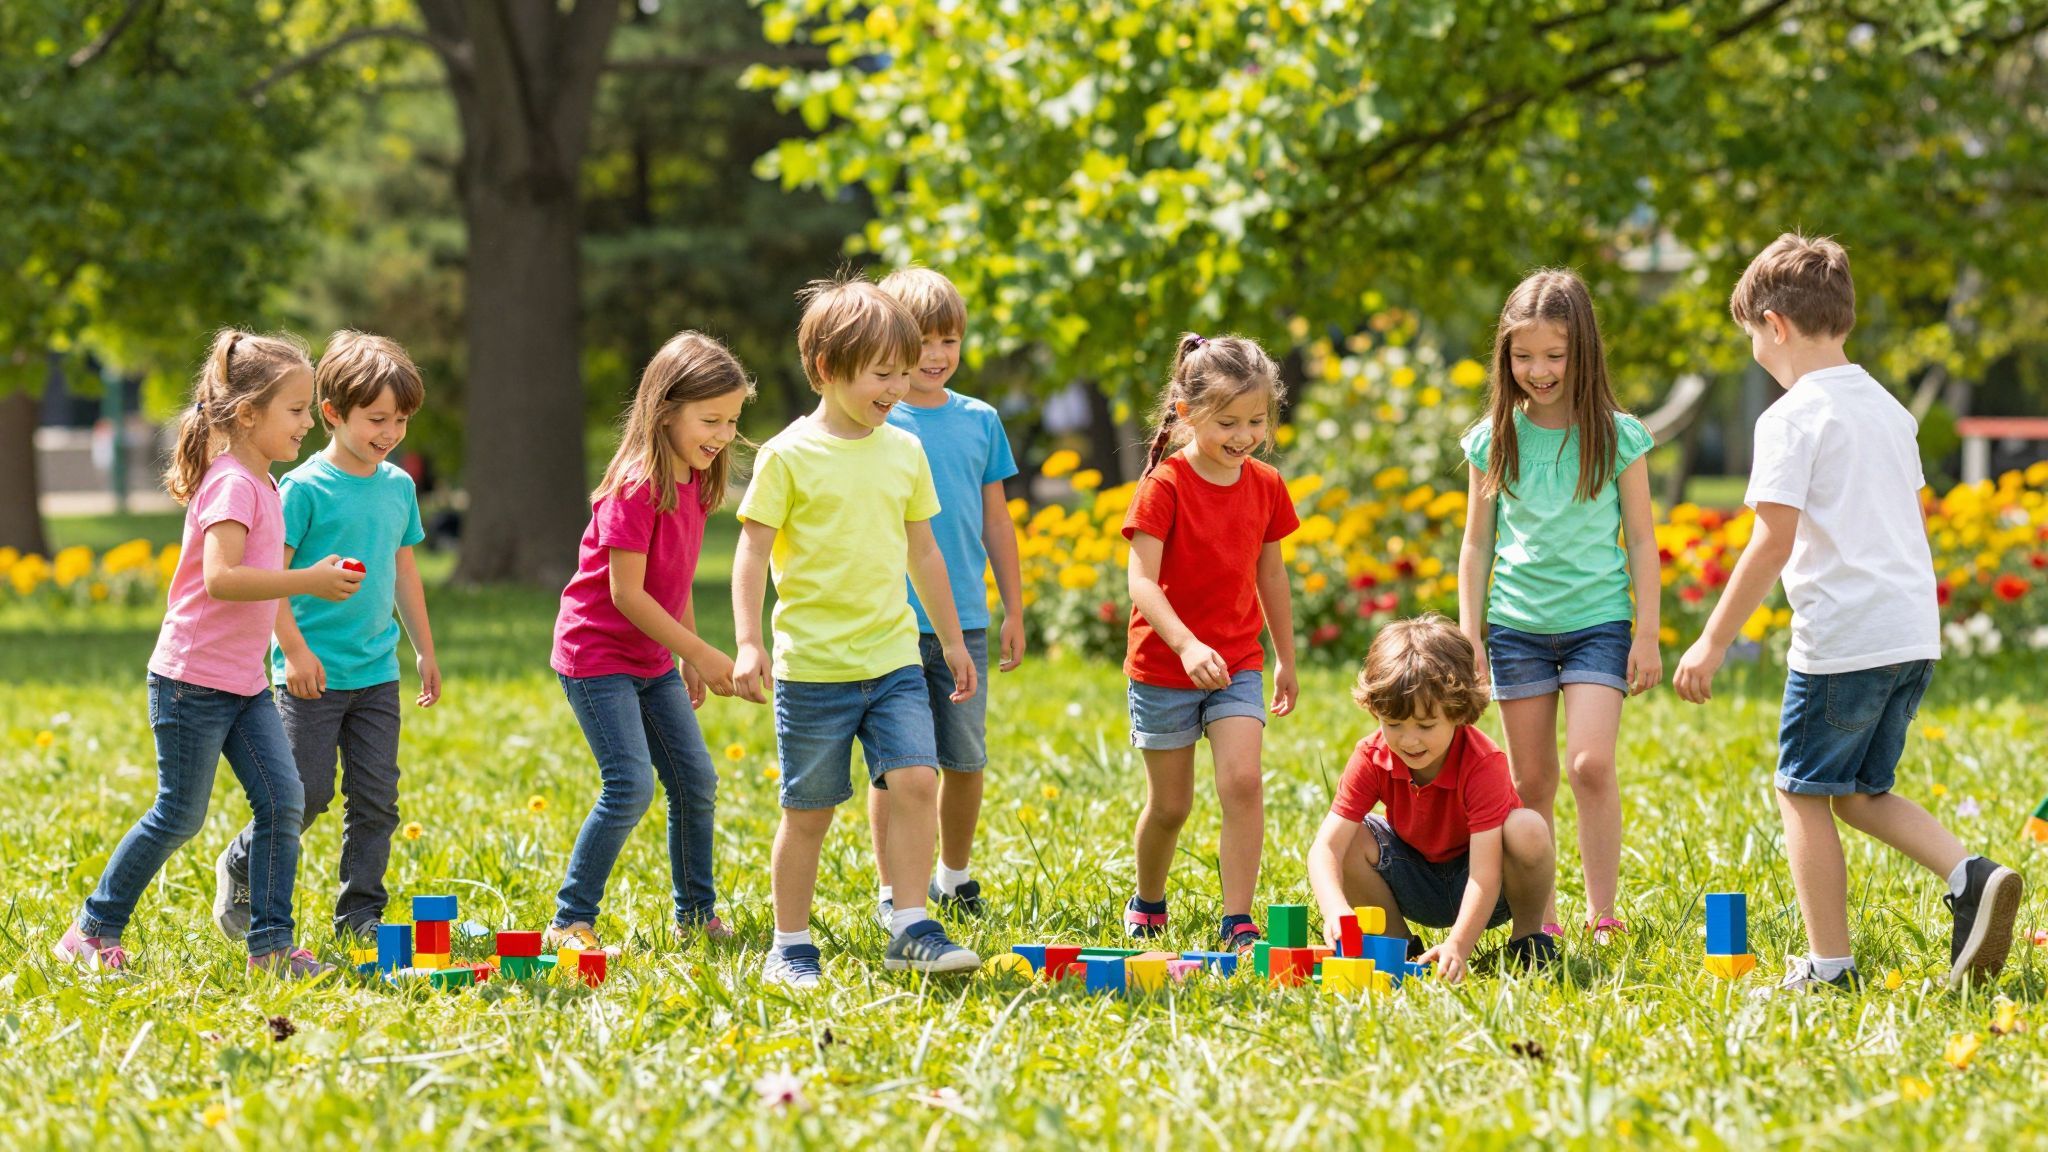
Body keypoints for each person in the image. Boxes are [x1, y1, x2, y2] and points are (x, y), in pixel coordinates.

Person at [1675, 232, 2022, 992]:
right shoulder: (1889, 409)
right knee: (1862, 793)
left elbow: (1771, 542)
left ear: (1774, 325)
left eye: (1752, 338)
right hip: (1910, 633)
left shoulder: (1791, 418)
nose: (1755, 354)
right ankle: (1971, 874)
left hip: (1844, 638)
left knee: (1800, 791)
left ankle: (1829, 967)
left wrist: (1711, 642)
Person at [59, 330, 361, 976]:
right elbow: (223, 579)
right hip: (191, 683)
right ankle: (91, 931)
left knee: (283, 800)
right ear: (247, 414)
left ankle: (270, 947)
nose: (308, 422)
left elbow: (256, 590)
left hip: (243, 684)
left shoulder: (265, 483)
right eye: (296, 409)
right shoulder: (232, 485)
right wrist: (308, 580)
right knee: (179, 815)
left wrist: (294, 645)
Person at [734, 274, 981, 987]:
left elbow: (924, 552)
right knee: (809, 812)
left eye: (904, 373)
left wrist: (952, 640)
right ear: (826, 369)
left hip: (893, 658)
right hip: (814, 670)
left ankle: (911, 924)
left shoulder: (903, 451)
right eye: (882, 374)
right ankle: (790, 944)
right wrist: (749, 642)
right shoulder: (788, 455)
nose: (898, 387)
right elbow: (751, 551)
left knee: (916, 779)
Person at [212, 332, 437, 942]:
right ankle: (241, 860)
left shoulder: (398, 487)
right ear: (333, 413)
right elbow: (272, 580)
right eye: (377, 419)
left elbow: (404, 570)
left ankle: (360, 915)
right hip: (311, 674)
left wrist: (423, 648)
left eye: (401, 420)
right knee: (305, 794)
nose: (390, 432)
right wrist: (295, 651)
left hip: (376, 672)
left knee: (376, 801)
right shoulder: (303, 489)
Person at [1457, 269, 1660, 944]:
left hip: (1598, 624)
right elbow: (1476, 546)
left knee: (1589, 765)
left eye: (1554, 355)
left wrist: (1648, 633)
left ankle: (1603, 914)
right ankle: (1540, 920)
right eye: (1523, 356)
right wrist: (1470, 635)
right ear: (1505, 357)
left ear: (1584, 353)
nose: (1538, 371)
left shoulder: (1618, 436)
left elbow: (1642, 540)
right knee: (1532, 781)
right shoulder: (1493, 438)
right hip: (1516, 628)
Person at [545, 332, 753, 953]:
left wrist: (684, 650)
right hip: (596, 656)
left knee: (695, 781)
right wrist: (702, 654)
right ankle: (570, 919)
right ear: (665, 412)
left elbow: (675, 577)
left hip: (653, 660)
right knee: (630, 785)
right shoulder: (636, 486)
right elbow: (627, 595)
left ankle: (697, 915)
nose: (723, 435)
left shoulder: (698, 479)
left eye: (732, 420)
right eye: (710, 421)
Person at [1121, 333, 1299, 953]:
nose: (1244, 435)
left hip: (1238, 662)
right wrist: (1187, 645)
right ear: (1187, 413)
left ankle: (1237, 918)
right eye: (1228, 422)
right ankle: (1148, 901)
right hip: (1163, 666)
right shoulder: (1165, 485)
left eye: (1256, 421)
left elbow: (1271, 576)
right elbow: (1140, 581)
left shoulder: (1267, 485)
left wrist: (1285, 659)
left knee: (1243, 782)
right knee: (1171, 806)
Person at [868, 266, 1024, 923]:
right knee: (896, 764)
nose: (935, 355)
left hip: (965, 618)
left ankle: (953, 877)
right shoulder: (876, 419)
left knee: (964, 758)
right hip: (890, 621)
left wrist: (1014, 608)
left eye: (948, 340)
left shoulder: (981, 421)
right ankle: (891, 888)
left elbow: (997, 522)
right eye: (922, 341)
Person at [1306, 615, 1558, 982]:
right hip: (1413, 878)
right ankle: (1400, 949)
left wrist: (1459, 945)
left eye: (1425, 726)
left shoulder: (1482, 763)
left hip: (1484, 886)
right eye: (1393, 724)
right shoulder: (1372, 756)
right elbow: (1324, 849)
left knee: (1528, 828)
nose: (1409, 740)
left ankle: (1528, 940)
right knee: (1350, 837)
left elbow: (1485, 874)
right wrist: (1335, 910)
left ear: (1458, 712)